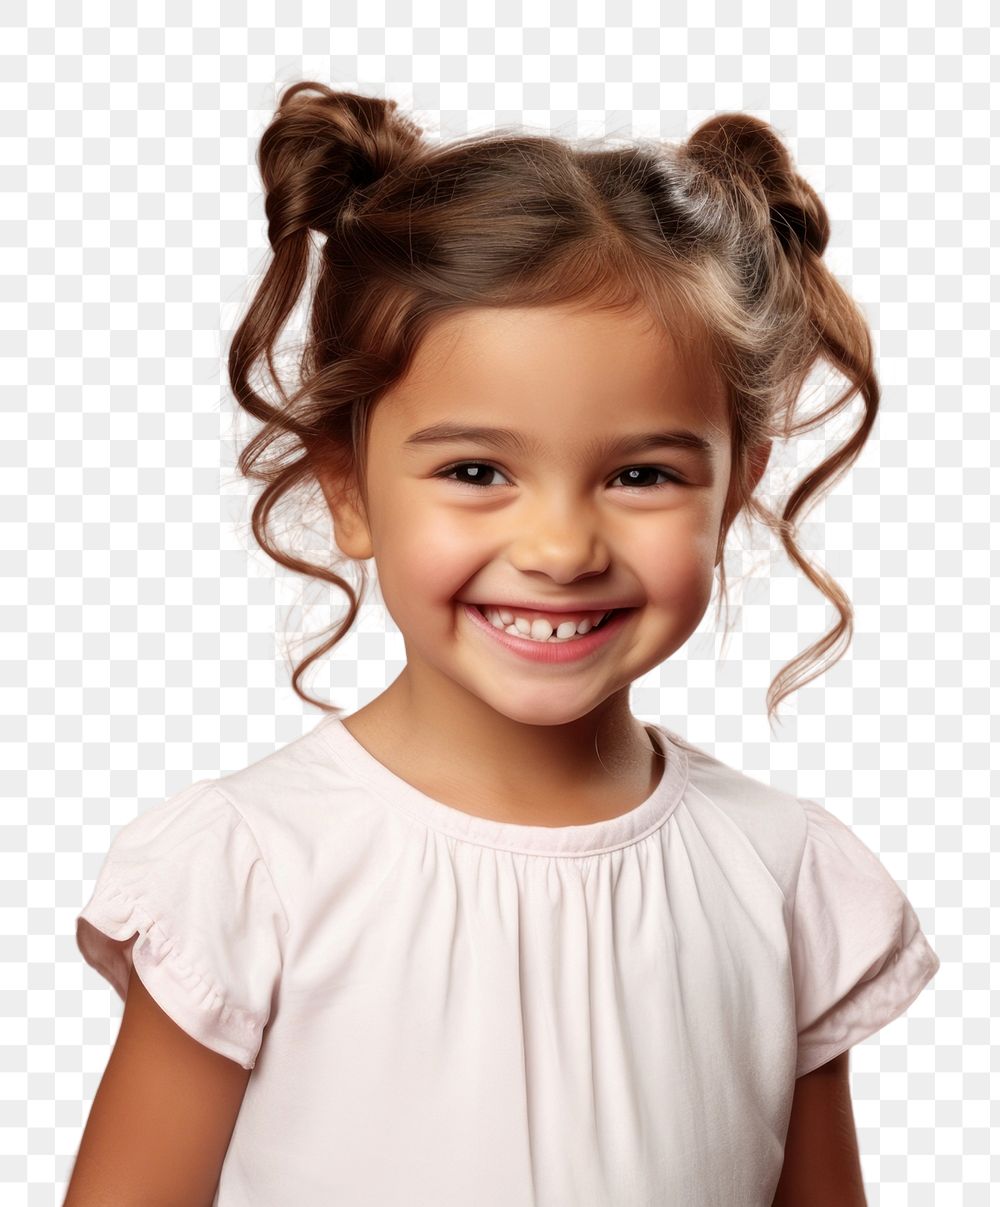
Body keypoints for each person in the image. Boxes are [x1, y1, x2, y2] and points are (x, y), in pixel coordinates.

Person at [65, 82, 940, 1206]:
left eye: (642, 474)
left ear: (731, 494)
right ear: (348, 487)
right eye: (477, 471)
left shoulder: (782, 876)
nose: (562, 545)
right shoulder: (253, 872)